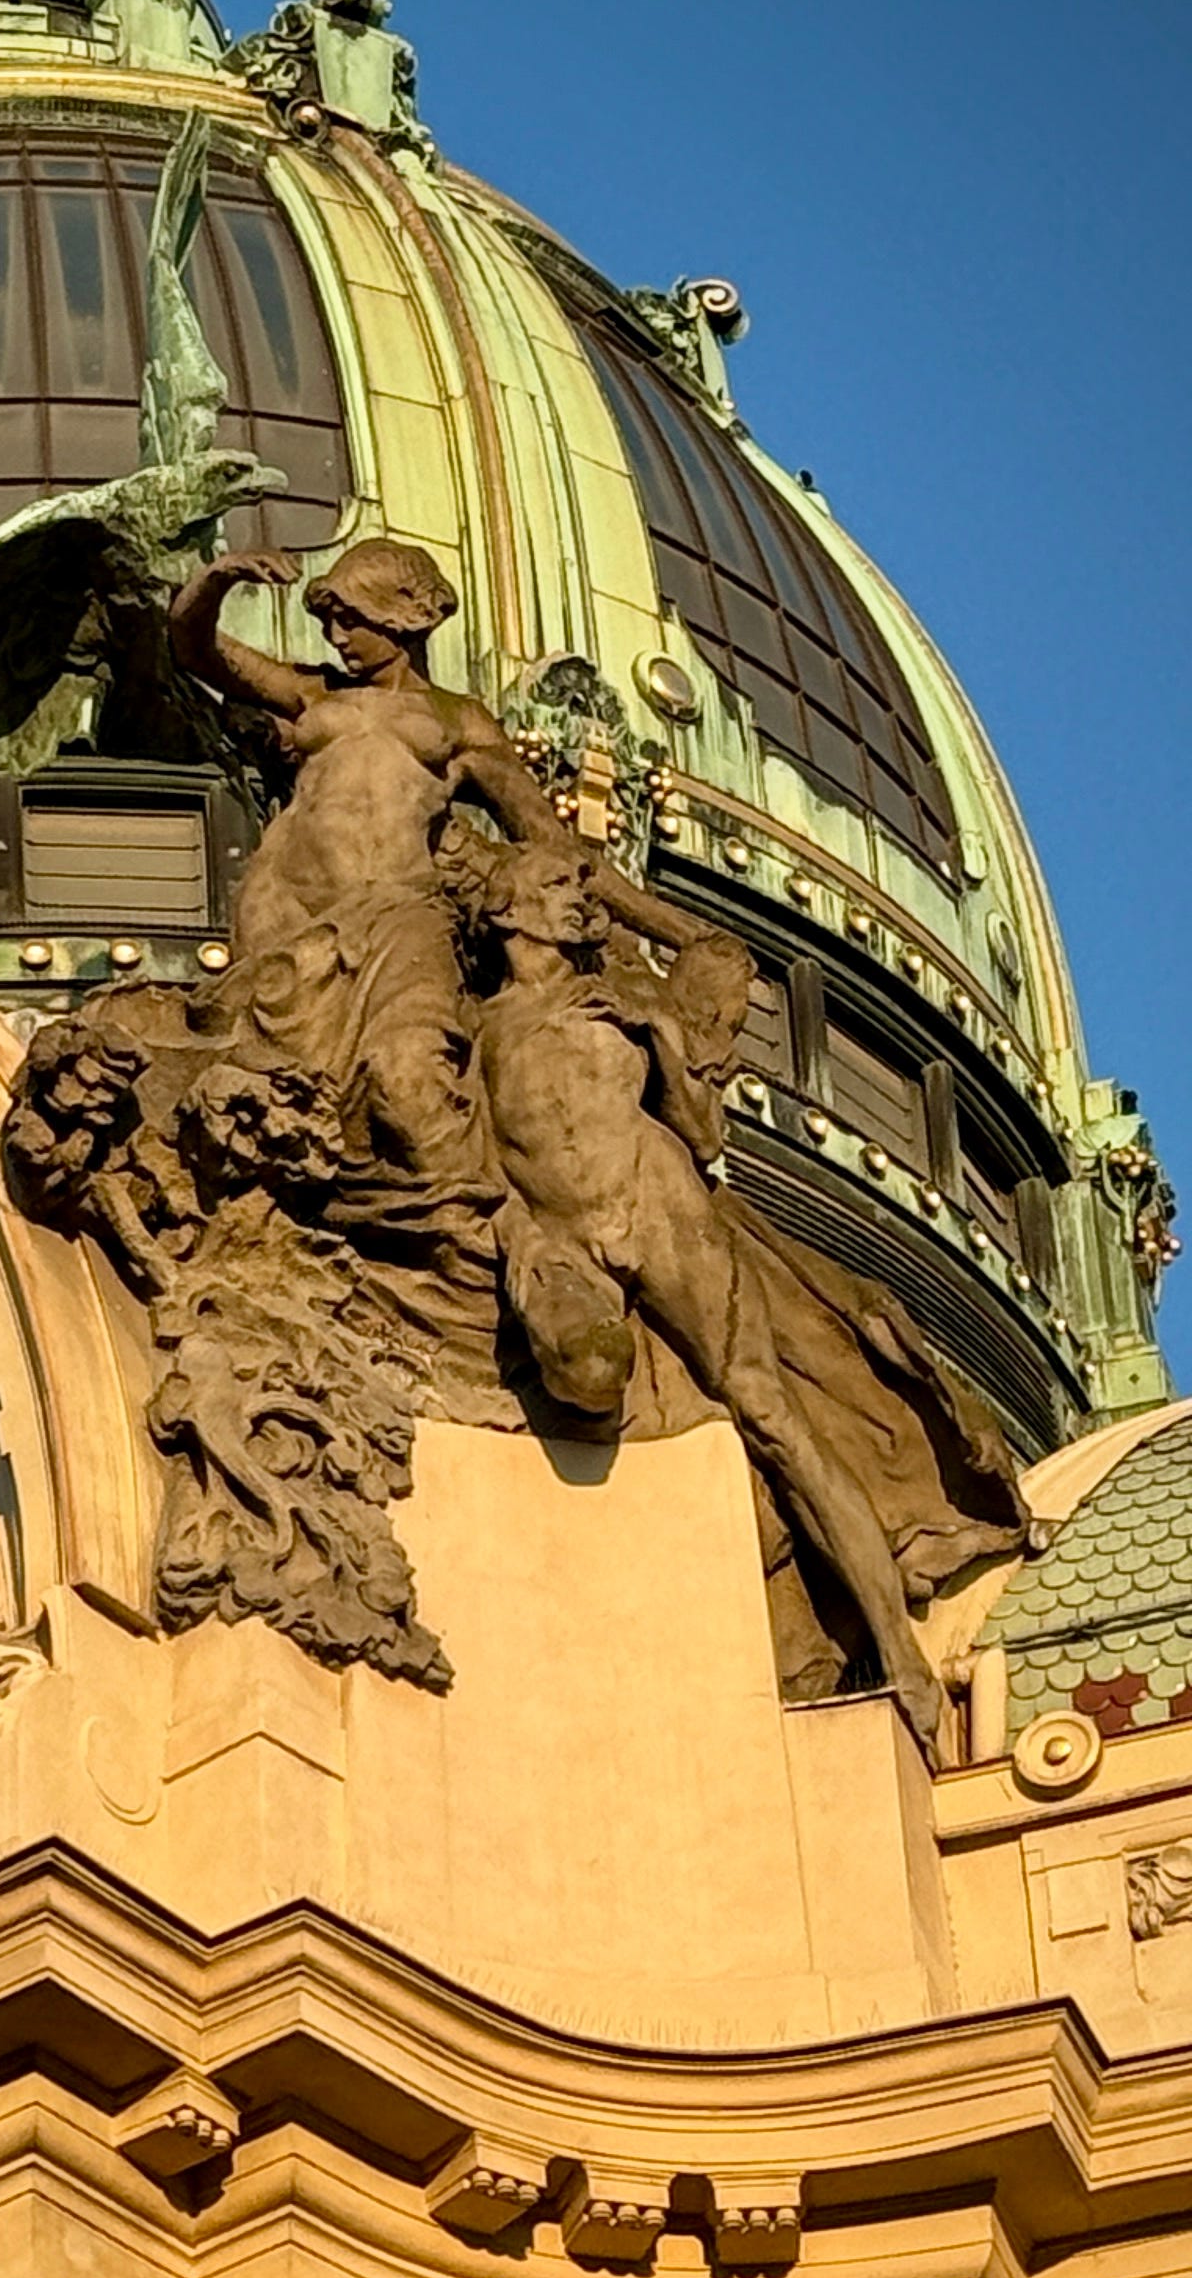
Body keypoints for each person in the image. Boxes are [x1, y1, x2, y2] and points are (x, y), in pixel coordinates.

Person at [464, 840, 947, 1745]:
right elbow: (474, 1158)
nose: (578, 901)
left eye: (579, 887)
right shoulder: (477, 1029)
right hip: (564, 1239)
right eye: (555, 886)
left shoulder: (623, 996)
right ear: (504, 912)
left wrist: (661, 1029)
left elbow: (702, 1133)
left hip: (662, 1207)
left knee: (773, 1415)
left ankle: (902, 1655)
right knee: (589, 1374)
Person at [168, 538, 566, 1268]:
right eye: (330, 620)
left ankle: (491, 1245)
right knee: (280, 1096)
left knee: (407, 1074)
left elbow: (549, 843)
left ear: (402, 619)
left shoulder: (459, 722)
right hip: (290, 918)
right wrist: (218, 578)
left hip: (399, 918)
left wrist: (670, 930)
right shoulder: (313, 694)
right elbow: (195, 648)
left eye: (351, 619)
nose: (336, 636)